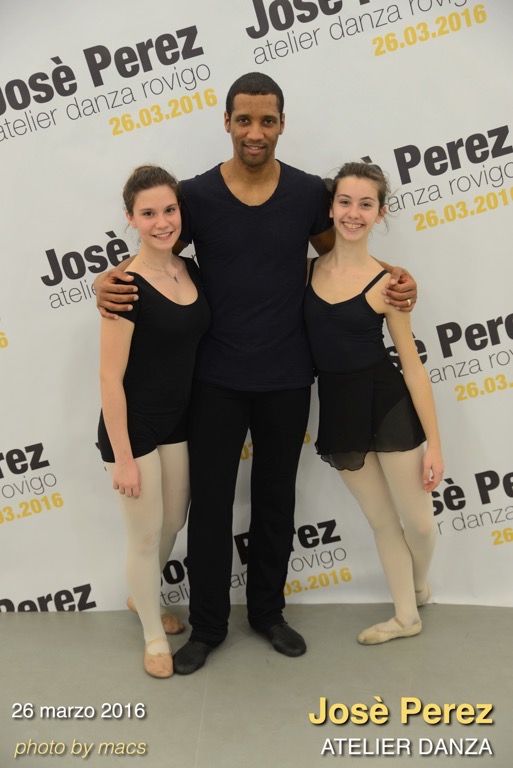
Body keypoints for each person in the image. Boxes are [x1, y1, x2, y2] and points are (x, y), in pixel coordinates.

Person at [95, 73, 417, 674]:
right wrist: (103, 280)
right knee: (211, 507)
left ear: (281, 125)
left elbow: (344, 253)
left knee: (275, 500)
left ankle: (268, 612)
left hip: (288, 379)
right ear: (227, 122)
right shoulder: (195, 196)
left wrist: (395, 276)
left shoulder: (307, 193)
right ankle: (208, 626)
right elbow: (154, 254)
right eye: (244, 119)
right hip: (214, 381)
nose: (255, 131)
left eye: (267, 120)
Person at [304, 162, 443, 644]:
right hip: (339, 409)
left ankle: (418, 584)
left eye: (366, 205)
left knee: (419, 523)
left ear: (380, 213)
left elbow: (413, 367)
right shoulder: (305, 272)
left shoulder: (389, 283)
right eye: (345, 202)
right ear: (331, 208)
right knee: (383, 521)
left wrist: (435, 445)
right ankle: (406, 616)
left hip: (387, 405)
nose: (353, 213)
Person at [97, 165, 210, 677]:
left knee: (172, 521)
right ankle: (152, 633)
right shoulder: (123, 287)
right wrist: (123, 457)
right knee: (143, 538)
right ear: (131, 218)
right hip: (134, 427)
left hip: (179, 421)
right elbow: (109, 377)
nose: (162, 222)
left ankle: (139, 595)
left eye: (169, 210)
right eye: (148, 213)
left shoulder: (191, 269)